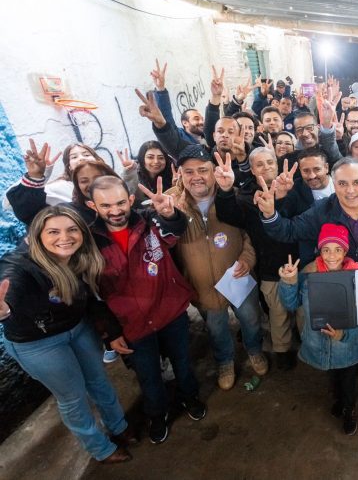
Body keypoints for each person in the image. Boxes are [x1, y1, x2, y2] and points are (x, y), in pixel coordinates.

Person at [0, 206, 135, 464]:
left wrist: (110, 332)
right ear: (37, 236)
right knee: (72, 397)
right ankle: (100, 448)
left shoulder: (79, 258)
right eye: (53, 231)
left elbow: (91, 300)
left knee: (98, 380)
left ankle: (119, 426)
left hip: (77, 327)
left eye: (72, 229)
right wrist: (4, 309)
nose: (65, 237)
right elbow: (10, 284)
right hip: (37, 343)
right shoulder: (19, 264)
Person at [86, 175, 205, 444]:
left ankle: (190, 397)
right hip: (131, 324)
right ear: (93, 206)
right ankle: (157, 414)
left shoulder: (149, 220)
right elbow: (91, 294)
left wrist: (171, 213)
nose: (115, 211)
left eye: (120, 203)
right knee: (149, 375)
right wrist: (110, 332)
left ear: (130, 200)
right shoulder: (88, 241)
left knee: (183, 363)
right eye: (105, 206)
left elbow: (175, 231)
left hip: (170, 311)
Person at [166, 145, 269, 389]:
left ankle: (254, 350)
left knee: (251, 318)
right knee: (216, 326)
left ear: (215, 171)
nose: (196, 177)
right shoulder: (171, 205)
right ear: (180, 174)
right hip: (201, 284)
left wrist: (247, 259)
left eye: (203, 170)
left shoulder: (234, 197)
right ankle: (225, 360)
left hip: (237, 276)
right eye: (189, 172)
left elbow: (250, 235)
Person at [213, 149, 301, 369]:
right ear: (251, 170)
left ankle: (308, 345)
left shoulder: (296, 189)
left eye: (270, 162)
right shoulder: (246, 197)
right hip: (270, 268)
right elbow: (228, 214)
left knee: (303, 311)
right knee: (277, 313)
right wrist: (224, 190)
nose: (266, 167)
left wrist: (282, 198)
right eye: (259, 164)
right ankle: (282, 352)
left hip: (300, 264)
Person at [278, 225, 358, 435]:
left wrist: (344, 334)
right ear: (320, 251)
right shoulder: (308, 273)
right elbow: (291, 304)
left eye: (337, 249)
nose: (331, 255)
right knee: (332, 377)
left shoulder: (357, 276)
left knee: (348, 381)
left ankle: (349, 409)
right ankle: (338, 401)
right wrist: (289, 281)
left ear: (345, 252)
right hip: (320, 344)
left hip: (347, 347)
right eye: (326, 249)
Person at [148, 60, 205, 145]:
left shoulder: (208, 139)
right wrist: (161, 88)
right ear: (185, 123)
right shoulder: (180, 138)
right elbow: (166, 119)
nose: (201, 122)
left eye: (202, 119)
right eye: (196, 119)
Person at [135, 140, 174, 205]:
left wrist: (176, 187)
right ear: (142, 159)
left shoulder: (174, 173)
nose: (156, 161)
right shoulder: (135, 174)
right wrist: (128, 174)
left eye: (161, 158)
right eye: (150, 157)